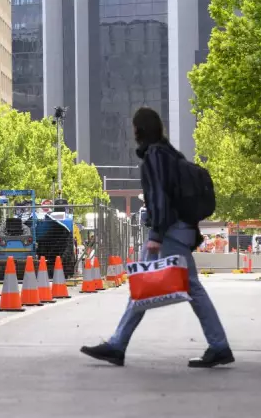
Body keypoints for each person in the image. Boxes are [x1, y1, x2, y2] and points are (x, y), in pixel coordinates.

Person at [80, 107, 234, 368]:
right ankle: (118, 343)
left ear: (139, 130)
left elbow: (160, 197)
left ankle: (219, 345)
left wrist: (156, 235)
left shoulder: (154, 156)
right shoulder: (171, 154)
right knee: (145, 286)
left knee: (185, 287)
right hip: (181, 228)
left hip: (169, 231)